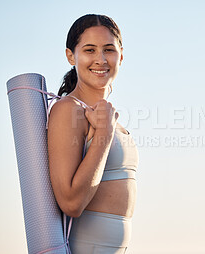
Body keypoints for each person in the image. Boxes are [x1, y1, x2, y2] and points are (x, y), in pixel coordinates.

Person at [47, 14, 139, 254]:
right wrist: (104, 134)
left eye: (108, 50)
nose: (100, 59)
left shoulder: (105, 119)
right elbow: (71, 203)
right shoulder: (69, 109)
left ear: (121, 55)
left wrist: (106, 128)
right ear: (71, 56)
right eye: (89, 50)